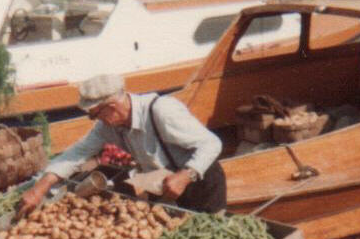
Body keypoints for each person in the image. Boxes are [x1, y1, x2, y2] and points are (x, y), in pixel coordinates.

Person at [18, 73, 224, 218]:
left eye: (94, 114)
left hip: (201, 183)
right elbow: (77, 154)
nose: (93, 120)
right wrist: (40, 188)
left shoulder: (161, 110)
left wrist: (186, 176)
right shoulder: (108, 126)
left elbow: (212, 144)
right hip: (165, 184)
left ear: (112, 107)